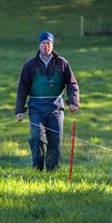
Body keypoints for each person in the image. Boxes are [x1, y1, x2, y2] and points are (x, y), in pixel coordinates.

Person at [15, 31, 79, 171]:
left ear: (52, 45)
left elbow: (72, 83)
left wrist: (73, 102)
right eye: (44, 43)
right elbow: (22, 88)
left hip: (56, 108)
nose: (46, 46)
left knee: (55, 141)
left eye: (49, 43)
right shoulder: (30, 65)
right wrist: (19, 110)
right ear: (39, 45)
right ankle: (37, 168)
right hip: (36, 109)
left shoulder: (62, 63)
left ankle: (53, 170)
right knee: (37, 137)